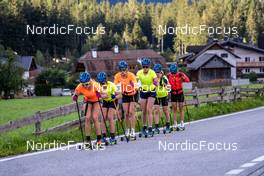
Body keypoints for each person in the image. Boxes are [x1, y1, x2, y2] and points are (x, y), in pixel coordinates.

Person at [72, 72, 102, 148]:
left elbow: (104, 95)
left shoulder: (96, 85)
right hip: (87, 100)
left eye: (87, 84)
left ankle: (99, 140)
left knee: (95, 117)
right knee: (87, 118)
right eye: (83, 84)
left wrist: (99, 95)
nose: (85, 86)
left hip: (96, 100)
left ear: (90, 81)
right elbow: (75, 94)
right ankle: (88, 140)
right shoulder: (80, 86)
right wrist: (75, 96)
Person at [114, 60, 138, 140]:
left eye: (124, 70)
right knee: (126, 113)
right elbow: (117, 88)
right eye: (121, 70)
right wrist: (117, 92)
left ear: (127, 69)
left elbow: (136, 85)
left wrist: (133, 86)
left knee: (131, 112)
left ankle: (133, 131)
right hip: (124, 95)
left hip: (132, 94)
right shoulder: (117, 76)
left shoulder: (131, 75)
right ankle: (127, 130)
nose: (123, 72)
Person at [96, 71, 122, 145]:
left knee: (110, 117)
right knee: (103, 118)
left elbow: (120, 95)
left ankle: (112, 136)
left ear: (106, 80)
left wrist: (115, 96)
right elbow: (98, 95)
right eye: (101, 82)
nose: (102, 84)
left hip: (112, 101)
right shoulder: (98, 86)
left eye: (103, 82)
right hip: (105, 102)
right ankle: (103, 136)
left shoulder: (112, 85)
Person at [136, 57, 158, 137]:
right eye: (144, 66)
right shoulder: (139, 72)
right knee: (144, 111)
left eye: (147, 67)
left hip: (151, 92)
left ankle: (150, 128)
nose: (145, 68)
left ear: (149, 66)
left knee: (149, 109)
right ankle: (144, 127)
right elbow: (136, 81)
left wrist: (156, 82)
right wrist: (136, 85)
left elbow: (156, 80)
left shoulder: (152, 72)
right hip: (143, 92)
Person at [167, 64, 190, 130]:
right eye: (172, 73)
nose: (173, 74)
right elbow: (165, 82)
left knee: (181, 108)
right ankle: (175, 123)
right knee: (174, 108)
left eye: (174, 73)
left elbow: (188, 80)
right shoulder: (168, 75)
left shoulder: (180, 74)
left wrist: (183, 77)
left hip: (180, 93)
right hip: (173, 93)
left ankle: (182, 123)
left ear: (176, 71)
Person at [152, 64, 171, 134]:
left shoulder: (164, 78)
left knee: (165, 111)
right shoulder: (153, 78)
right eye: (155, 72)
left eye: (158, 72)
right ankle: (156, 127)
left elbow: (169, 87)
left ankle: (168, 125)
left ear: (160, 72)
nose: (157, 74)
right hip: (156, 96)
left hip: (164, 96)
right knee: (156, 111)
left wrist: (165, 85)